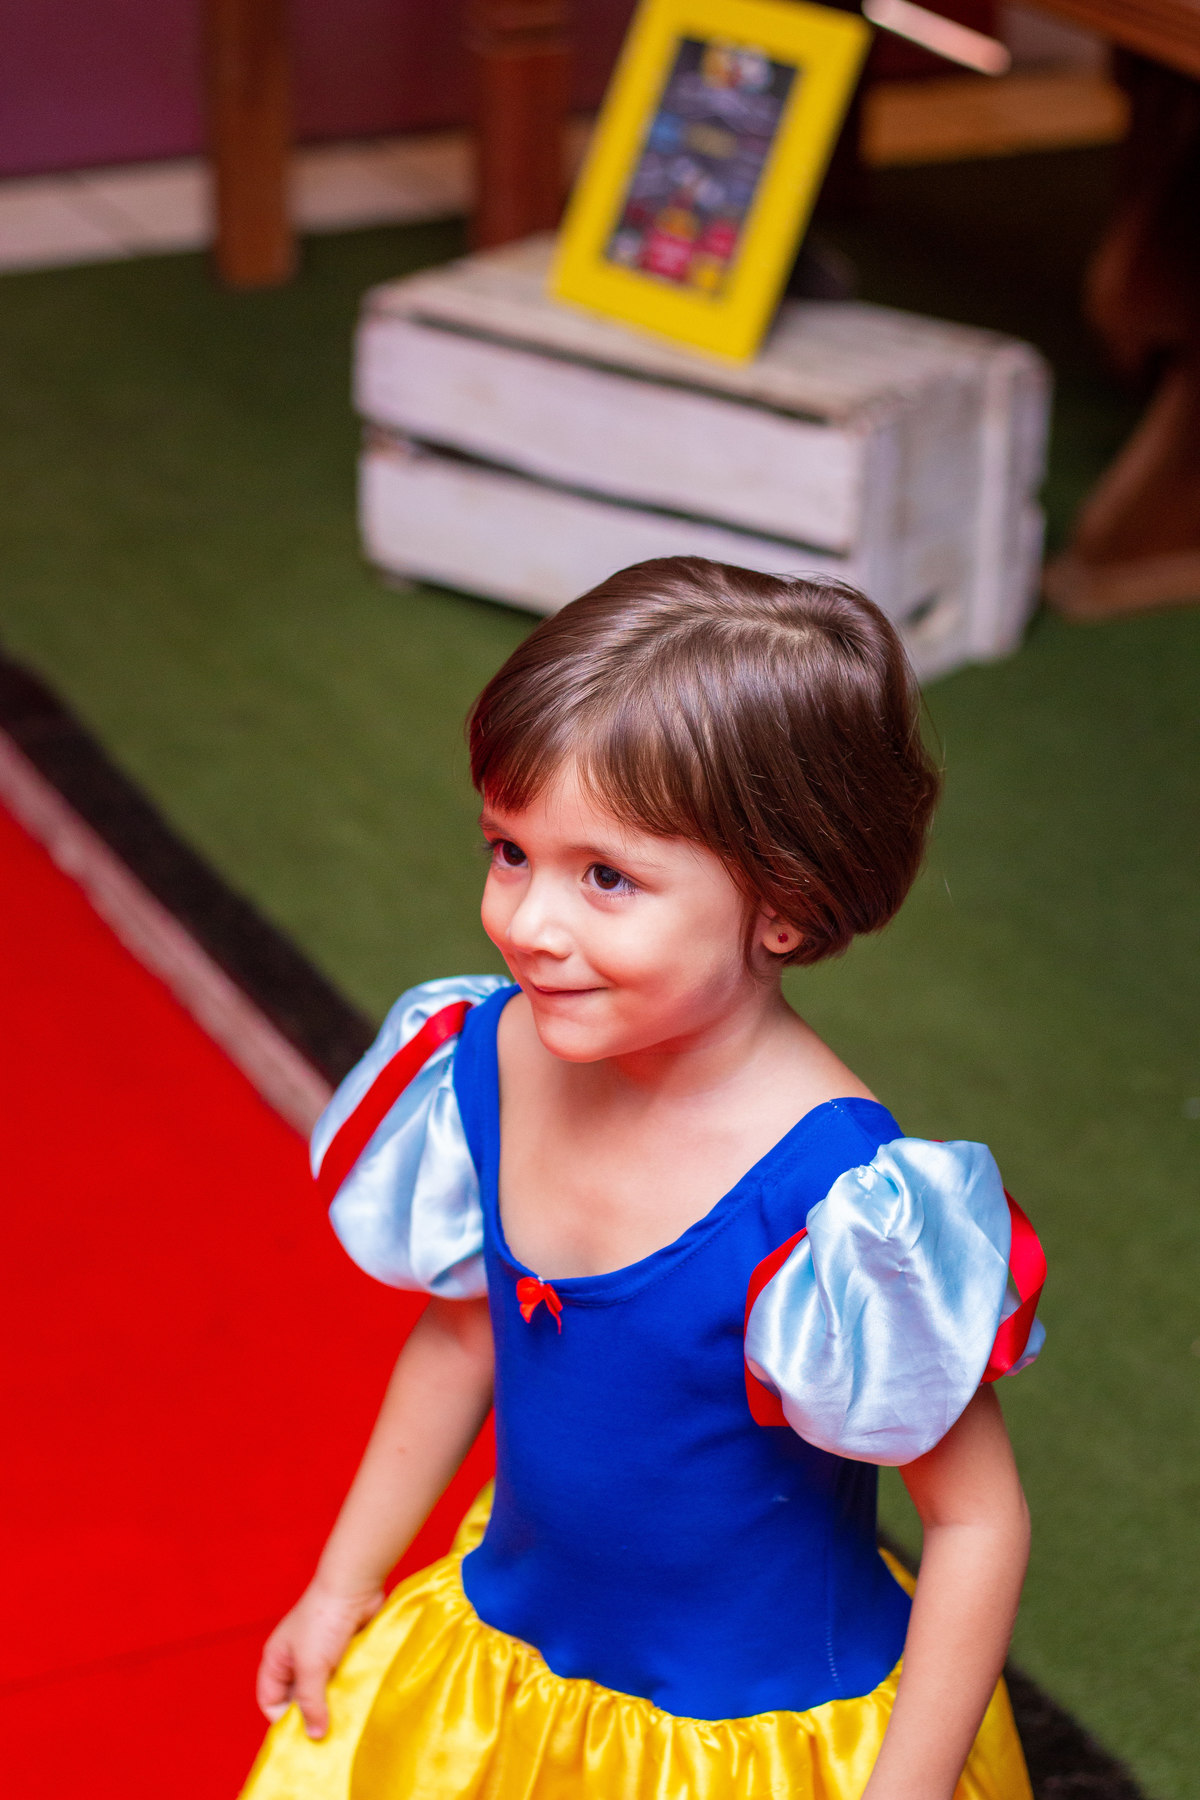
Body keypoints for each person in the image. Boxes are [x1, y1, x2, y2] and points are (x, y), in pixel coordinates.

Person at [242, 556, 1045, 1800]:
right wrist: (345, 1580)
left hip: (750, 1745)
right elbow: (464, 1341)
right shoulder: (486, 1061)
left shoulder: (842, 1204)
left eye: (605, 877)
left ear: (784, 901)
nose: (529, 924)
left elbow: (980, 1521)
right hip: (505, 1675)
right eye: (510, 850)